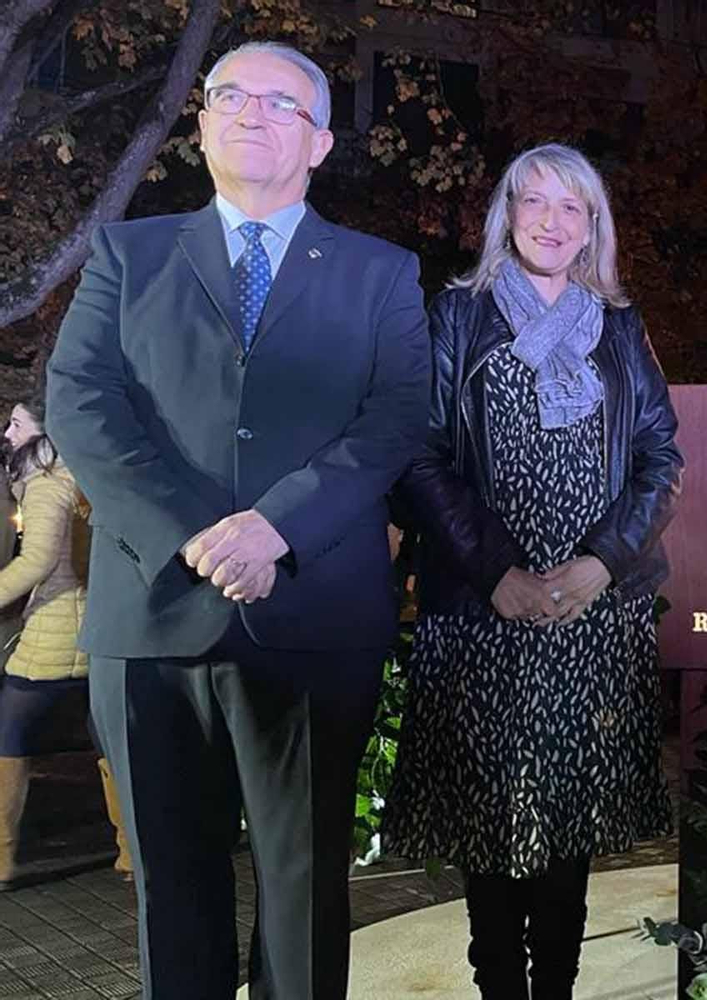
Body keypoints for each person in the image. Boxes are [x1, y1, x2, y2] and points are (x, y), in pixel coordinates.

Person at [45, 40, 429, 999]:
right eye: (230, 96)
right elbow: (83, 404)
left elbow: (394, 418)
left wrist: (276, 529)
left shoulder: (382, 274)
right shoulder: (126, 255)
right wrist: (193, 533)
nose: (251, 112)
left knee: (304, 895)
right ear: (201, 121)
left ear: (322, 142)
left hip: (312, 615)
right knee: (171, 890)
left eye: (281, 102)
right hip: (152, 615)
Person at [386, 142, 681, 1000]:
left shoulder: (621, 323)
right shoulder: (455, 315)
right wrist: (498, 574)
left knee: (569, 818)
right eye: (534, 202)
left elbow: (663, 458)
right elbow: (422, 458)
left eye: (572, 207)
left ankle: (556, 985)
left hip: (596, 610)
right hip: (485, 610)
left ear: (594, 225)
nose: (551, 222)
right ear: (505, 214)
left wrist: (600, 563)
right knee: (493, 820)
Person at [0, 396, 133, 888]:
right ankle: (131, 853)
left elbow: (36, 563)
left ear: (43, 428)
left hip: (53, 632)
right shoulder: (87, 476)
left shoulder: (43, 486)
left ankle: (3, 859)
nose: (7, 432)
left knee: (9, 734)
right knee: (107, 740)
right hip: (98, 629)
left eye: (16, 422)